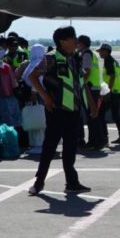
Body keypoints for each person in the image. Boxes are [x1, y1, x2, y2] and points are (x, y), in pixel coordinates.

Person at [28, 26, 97, 195]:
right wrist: (46, 97)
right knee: (50, 147)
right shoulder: (50, 58)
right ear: (62, 41)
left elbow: (81, 81)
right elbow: (33, 76)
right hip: (56, 111)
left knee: (70, 148)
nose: (76, 41)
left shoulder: (76, 58)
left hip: (74, 111)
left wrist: (92, 103)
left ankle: (72, 183)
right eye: (72, 38)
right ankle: (39, 182)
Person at [17, 45, 48, 155]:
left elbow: (37, 78)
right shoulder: (43, 62)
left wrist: (34, 91)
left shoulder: (35, 64)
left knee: (36, 120)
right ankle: (39, 144)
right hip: (43, 95)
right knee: (40, 119)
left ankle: (38, 145)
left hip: (36, 95)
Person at [77, 35, 107, 149]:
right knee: (92, 116)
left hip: (90, 88)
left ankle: (98, 141)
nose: (76, 46)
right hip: (93, 87)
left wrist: (80, 82)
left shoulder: (87, 54)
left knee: (92, 116)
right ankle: (95, 141)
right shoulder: (90, 53)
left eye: (78, 43)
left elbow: (87, 71)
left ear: (82, 44)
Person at [97, 44, 120, 145]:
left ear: (106, 51)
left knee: (100, 114)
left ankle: (105, 138)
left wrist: (108, 91)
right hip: (118, 91)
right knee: (116, 115)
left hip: (112, 92)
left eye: (101, 51)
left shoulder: (108, 61)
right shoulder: (114, 61)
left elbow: (113, 76)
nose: (99, 53)